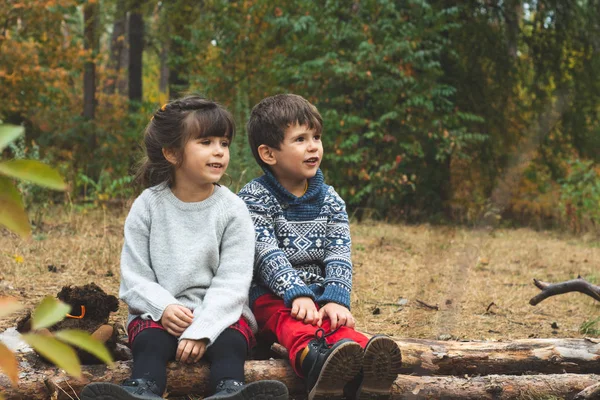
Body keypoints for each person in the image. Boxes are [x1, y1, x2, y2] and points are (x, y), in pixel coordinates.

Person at [80, 95, 288, 400]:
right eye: (205, 142)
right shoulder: (147, 206)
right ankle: (143, 390)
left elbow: (233, 283)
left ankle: (231, 390)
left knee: (230, 343)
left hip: (220, 315)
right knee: (150, 342)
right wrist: (163, 308)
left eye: (224, 143)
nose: (219, 151)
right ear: (172, 153)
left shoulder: (233, 210)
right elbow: (134, 277)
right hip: (160, 314)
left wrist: (204, 328)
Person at [238, 94, 402, 400]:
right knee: (294, 322)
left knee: (337, 326)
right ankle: (314, 362)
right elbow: (264, 252)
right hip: (269, 295)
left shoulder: (330, 200)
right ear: (268, 153)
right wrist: (296, 292)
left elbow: (338, 254)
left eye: (317, 137)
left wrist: (336, 298)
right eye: (300, 139)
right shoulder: (254, 197)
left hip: (317, 297)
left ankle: (367, 365)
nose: (314, 146)